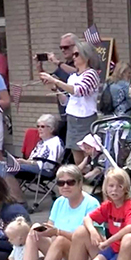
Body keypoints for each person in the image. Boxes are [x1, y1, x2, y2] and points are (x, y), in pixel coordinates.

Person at [2, 165, 100, 260]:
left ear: (80, 183)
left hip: (80, 256)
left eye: (70, 182)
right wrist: (44, 230)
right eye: (61, 183)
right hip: (56, 250)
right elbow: (50, 226)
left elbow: (89, 239)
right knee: (34, 229)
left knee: (60, 240)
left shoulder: (91, 204)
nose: (65, 186)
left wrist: (57, 232)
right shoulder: (59, 202)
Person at [40, 38, 101, 167]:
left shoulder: (91, 74)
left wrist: (56, 81)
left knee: (88, 157)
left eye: (77, 54)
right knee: (77, 158)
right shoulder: (73, 76)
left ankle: (89, 181)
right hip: (72, 118)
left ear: (86, 55)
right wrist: (55, 88)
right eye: (73, 54)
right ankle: (81, 183)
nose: (74, 57)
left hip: (86, 119)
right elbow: (67, 100)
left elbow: (79, 91)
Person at [8, 114, 63, 196]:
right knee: (5, 162)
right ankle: (13, 193)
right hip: (34, 167)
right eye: (38, 126)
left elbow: (48, 164)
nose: (39, 129)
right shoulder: (41, 142)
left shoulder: (55, 142)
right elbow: (32, 158)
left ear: (51, 129)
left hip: (44, 171)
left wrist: (27, 162)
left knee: (9, 168)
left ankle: (16, 196)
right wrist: (24, 161)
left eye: (42, 127)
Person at [37, 32, 78, 140]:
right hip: (64, 112)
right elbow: (49, 80)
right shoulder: (64, 65)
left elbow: (77, 73)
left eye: (66, 47)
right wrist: (39, 67)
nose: (63, 50)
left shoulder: (78, 65)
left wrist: (57, 62)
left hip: (78, 115)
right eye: (61, 48)